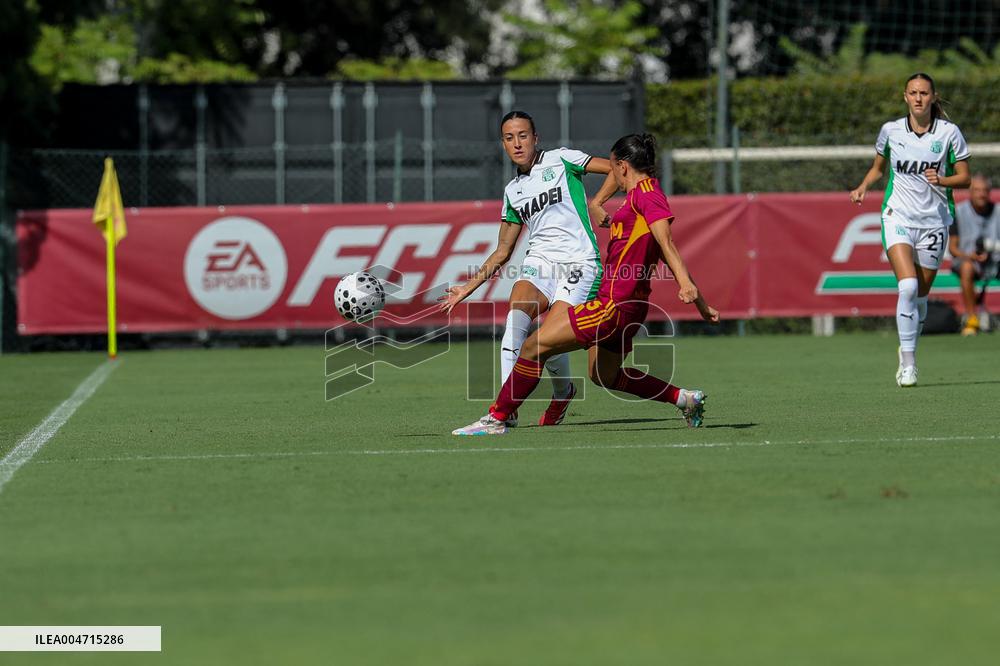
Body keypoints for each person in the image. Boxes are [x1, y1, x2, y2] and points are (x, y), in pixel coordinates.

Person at [452, 133, 719, 436]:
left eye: (614, 167)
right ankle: (684, 399)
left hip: (613, 305)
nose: (612, 175)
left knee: (533, 346)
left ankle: (497, 418)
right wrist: (701, 303)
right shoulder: (640, 195)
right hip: (629, 306)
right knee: (604, 374)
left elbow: (666, 243)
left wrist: (687, 286)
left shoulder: (647, 196)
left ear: (622, 166)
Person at [440, 111, 611, 426]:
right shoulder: (512, 191)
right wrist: (467, 288)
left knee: (548, 338)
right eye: (509, 138)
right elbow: (503, 251)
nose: (517, 143)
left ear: (535, 138)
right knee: (515, 319)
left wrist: (598, 202)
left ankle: (563, 392)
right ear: (503, 144)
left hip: (579, 262)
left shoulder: (562, 159)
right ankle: (507, 410)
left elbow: (617, 169)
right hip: (539, 262)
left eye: (522, 135)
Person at [850, 72, 971, 387]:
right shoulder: (890, 131)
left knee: (920, 296)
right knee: (907, 287)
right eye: (913, 93)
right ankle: (908, 362)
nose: (918, 98)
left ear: (933, 97)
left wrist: (942, 179)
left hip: (934, 222)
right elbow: (878, 168)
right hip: (898, 217)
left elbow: (965, 178)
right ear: (905, 96)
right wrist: (863, 186)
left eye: (924, 93)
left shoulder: (949, 133)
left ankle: (909, 344)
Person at [949, 174, 998, 336]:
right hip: (969, 260)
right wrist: (970, 256)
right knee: (967, 268)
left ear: (989, 192)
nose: (981, 194)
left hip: (996, 260)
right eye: (977, 190)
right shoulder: (958, 212)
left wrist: (993, 250)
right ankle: (972, 319)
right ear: (970, 192)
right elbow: (953, 249)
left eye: (984, 190)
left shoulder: (998, 212)